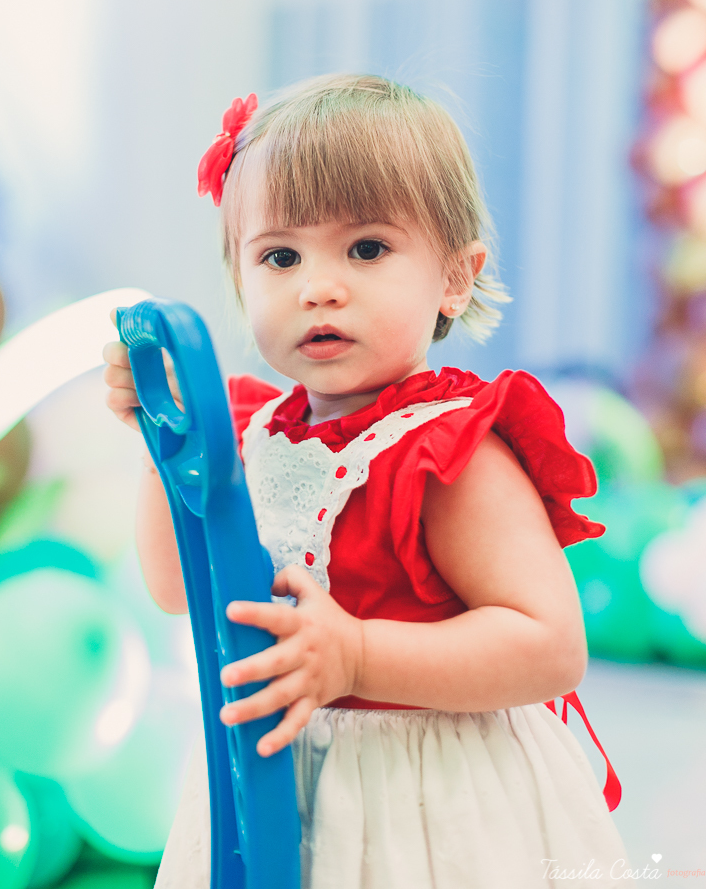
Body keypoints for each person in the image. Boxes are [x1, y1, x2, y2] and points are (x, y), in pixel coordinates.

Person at [104, 74, 627, 889]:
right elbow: (178, 585)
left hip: (421, 803)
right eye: (281, 255)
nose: (319, 285)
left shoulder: (446, 452)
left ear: (455, 276)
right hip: (276, 777)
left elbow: (551, 645)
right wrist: (161, 445)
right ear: (242, 279)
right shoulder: (251, 431)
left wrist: (356, 654)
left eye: (368, 249)